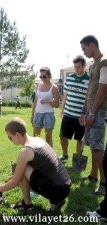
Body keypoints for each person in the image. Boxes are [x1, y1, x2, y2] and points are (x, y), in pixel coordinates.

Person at [0, 117, 71, 211]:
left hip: (58, 189)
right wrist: (14, 178)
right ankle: (57, 201)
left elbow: (16, 181)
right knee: (21, 171)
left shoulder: (26, 151)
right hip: (66, 186)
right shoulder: (37, 139)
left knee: (21, 171)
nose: (10, 140)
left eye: (10, 137)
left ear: (18, 135)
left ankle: (27, 204)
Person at [80, 35, 107, 196]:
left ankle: (104, 183)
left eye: (84, 48)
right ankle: (93, 175)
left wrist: (92, 112)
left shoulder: (104, 62)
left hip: (98, 110)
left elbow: (103, 89)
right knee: (92, 145)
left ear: (92, 45)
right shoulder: (93, 65)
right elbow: (90, 89)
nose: (83, 52)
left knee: (97, 147)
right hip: (90, 110)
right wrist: (83, 111)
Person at [59, 55, 89, 161]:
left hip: (81, 116)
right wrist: (62, 109)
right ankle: (65, 154)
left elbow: (89, 98)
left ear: (84, 66)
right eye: (75, 66)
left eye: (79, 66)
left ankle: (78, 158)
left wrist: (86, 114)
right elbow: (65, 95)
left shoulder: (89, 79)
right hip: (68, 113)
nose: (77, 69)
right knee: (63, 136)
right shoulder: (70, 78)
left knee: (79, 139)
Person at [31, 67, 60, 147]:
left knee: (48, 137)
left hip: (49, 115)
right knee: (35, 136)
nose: (42, 78)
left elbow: (57, 105)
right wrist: (32, 115)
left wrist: (49, 101)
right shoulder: (38, 85)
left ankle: (50, 158)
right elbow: (35, 101)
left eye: (44, 76)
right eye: (41, 77)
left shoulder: (54, 88)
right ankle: (36, 156)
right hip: (38, 114)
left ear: (49, 76)